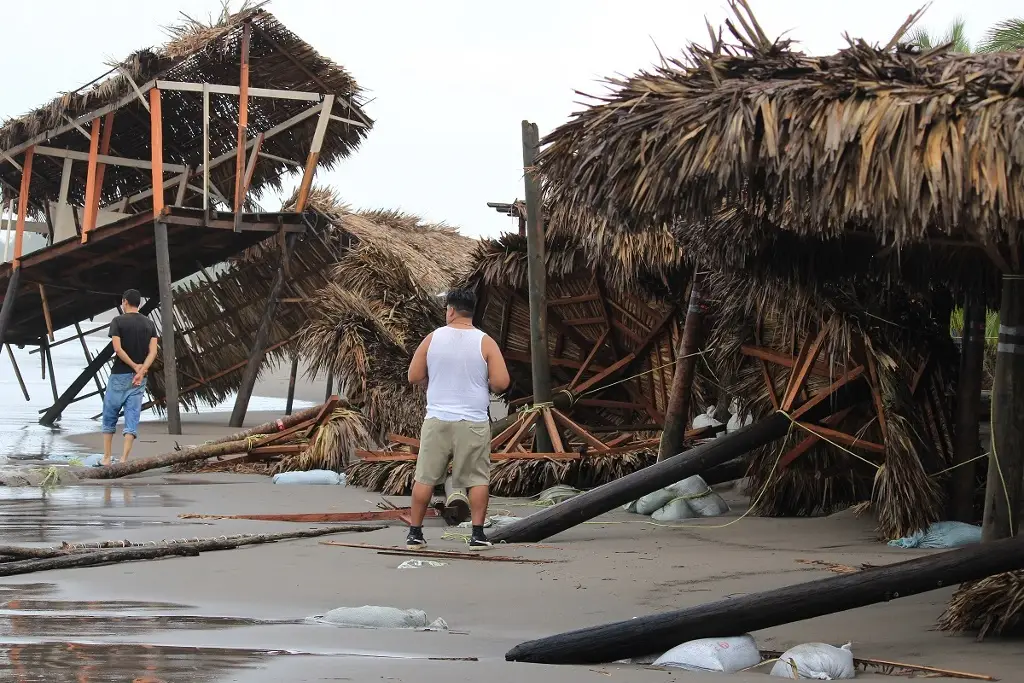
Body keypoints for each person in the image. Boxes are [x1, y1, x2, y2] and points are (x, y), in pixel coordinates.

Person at [406, 288, 510, 550]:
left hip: (438, 419)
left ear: (450, 310)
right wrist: (483, 384)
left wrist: (434, 379)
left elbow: (414, 376)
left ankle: (415, 534)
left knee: (425, 478)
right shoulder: (485, 341)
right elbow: (501, 382)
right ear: (471, 312)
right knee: (476, 478)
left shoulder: (432, 339)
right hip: (472, 421)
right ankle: (477, 535)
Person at [101, 289, 158, 466]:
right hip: (139, 379)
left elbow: (117, 349)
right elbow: (153, 351)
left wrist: (133, 366)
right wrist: (141, 371)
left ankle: (107, 457)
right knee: (132, 416)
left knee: (109, 415)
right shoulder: (149, 324)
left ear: (125, 302)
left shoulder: (117, 321)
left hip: (119, 374)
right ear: (139, 303)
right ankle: (124, 459)